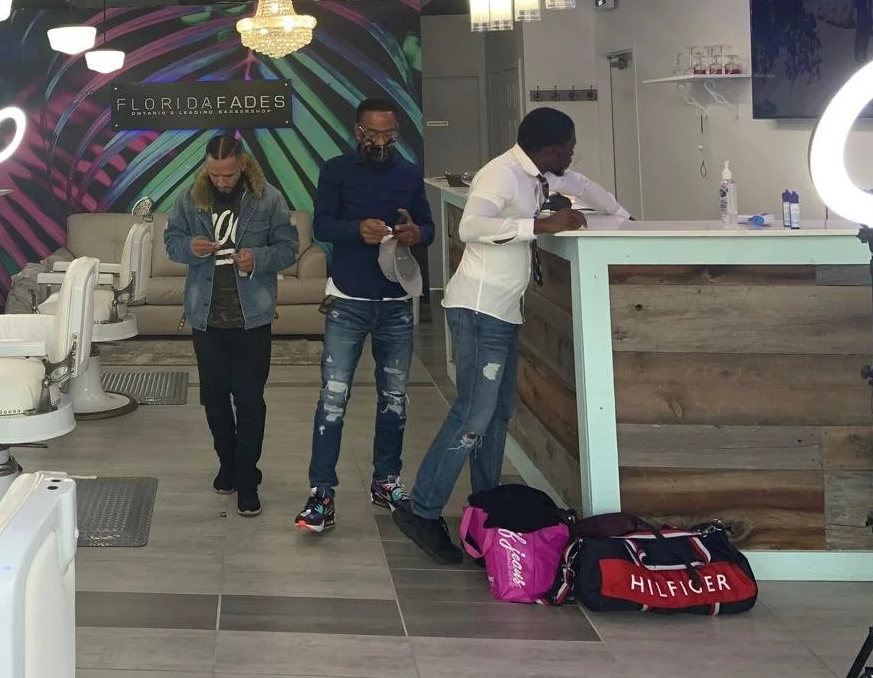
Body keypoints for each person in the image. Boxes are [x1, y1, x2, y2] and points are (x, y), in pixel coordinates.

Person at [397, 106, 629, 563]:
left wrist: (621, 215)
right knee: (472, 416)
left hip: (502, 312)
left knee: (498, 414)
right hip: (480, 309)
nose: (572, 155)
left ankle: (485, 510)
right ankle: (421, 510)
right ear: (550, 147)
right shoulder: (501, 174)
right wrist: (541, 225)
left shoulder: (540, 174)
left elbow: (580, 186)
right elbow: (471, 226)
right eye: (569, 147)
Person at [295, 97, 435, 534]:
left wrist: (416, 232)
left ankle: (387, 481)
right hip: (348, 299)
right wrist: (357, 230)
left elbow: (428, 228)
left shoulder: (409, 173)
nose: (380, 142)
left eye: (388, 134)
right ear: (357, 131)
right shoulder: (336, 171)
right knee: (333, 399)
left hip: (396, 301)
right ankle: (322, 493)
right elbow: (321, 227)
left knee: (394, 399)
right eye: (372, 134)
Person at [163, 134, 299, 518]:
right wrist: (191, 247)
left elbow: (289, 249)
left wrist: (256, 257)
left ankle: (247, 478)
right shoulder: (190, 198)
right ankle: (229, 462)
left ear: (242, 165)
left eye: (227, 175)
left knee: (250, 400)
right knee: (214, 399)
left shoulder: (267, 199)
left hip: (252, 316)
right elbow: (170, 241)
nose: (221, 182)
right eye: (214, 175)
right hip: (205, 317)